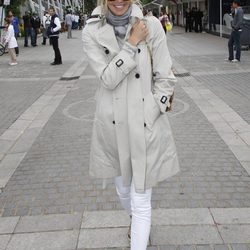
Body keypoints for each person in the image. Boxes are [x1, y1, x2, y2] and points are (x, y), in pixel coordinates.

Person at [82, 0, 180, 249]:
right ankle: (135, 221)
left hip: (144, 124)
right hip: (112, 124)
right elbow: (108, 79)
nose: (119, 1)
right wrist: (131, 44)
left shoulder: (152, 26)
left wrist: (154, 108)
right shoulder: (91, 31)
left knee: (141, 199)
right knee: (123, 192)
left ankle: (139, 230)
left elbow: (166, 76)